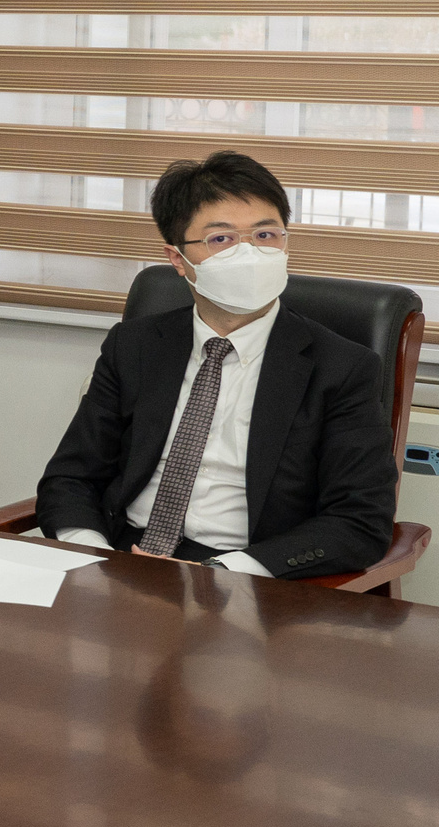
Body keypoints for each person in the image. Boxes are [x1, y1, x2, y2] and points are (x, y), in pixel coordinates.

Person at [36, 150, 395, 578]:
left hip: (245, 575)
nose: (248, 254)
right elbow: (70, 479)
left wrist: (222, 572)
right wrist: (94, 557)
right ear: (178, 260)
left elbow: (359, 521)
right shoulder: (133, 346)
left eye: (266, 235)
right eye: (221, 239)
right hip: (121, 558)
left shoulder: (342, 368)